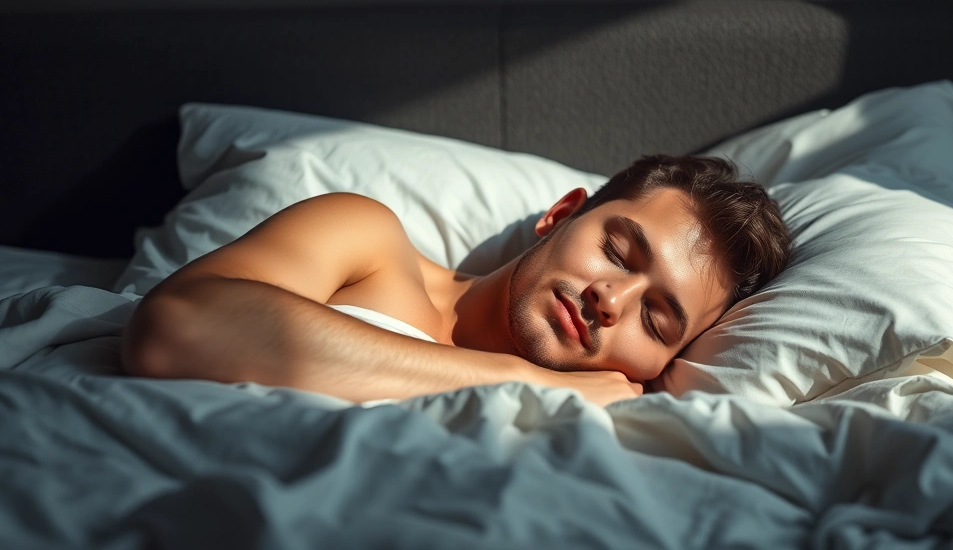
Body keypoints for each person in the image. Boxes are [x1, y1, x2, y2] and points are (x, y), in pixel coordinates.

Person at [121, 155, 791, 406]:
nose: (610, 302)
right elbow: (178, 326)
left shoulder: (622, 406)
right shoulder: (367, 241)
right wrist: (525, 381)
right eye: (617, 253)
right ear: (560, 215)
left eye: (658, 321)